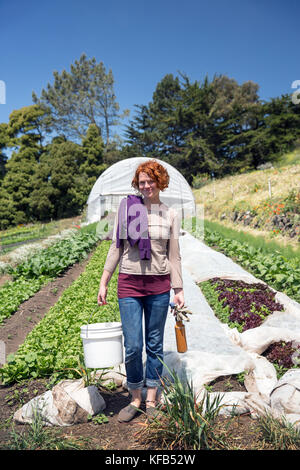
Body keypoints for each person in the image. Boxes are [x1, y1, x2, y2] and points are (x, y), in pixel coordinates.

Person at [97, 159, 184, 422]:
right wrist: (104, 280)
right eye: (141, 182)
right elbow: (116, 247)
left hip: (159, 286)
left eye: (150, 181)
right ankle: (135, 398)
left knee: (154, 345)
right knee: (134, 346)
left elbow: (175, 255)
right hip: (129, 283)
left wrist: (178, 289)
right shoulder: (128, 210)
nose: (146, 186)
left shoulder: (170, 213)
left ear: (160, 182)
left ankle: (151, 400)